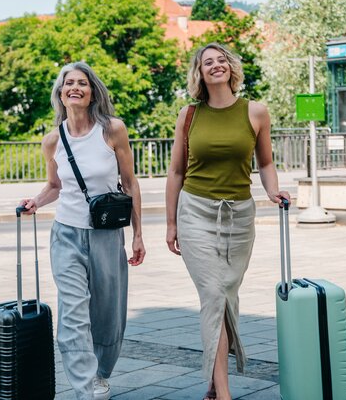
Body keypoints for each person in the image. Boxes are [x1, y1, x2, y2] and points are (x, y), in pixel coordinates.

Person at [164, 43, 290, 400]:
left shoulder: (256, 112)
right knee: (214, 295)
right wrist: (171, 224)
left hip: (239, 216)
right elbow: (176, 171)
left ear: (231, 68)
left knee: (227, 297)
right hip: (195, 213)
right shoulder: (189, 115)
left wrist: (273, 191)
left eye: (222, 60)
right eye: (208, 62)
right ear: (200, 73)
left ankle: (213, 380)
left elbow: (265, 163)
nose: (216, 65)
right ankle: (223, 392)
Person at [20, 61, 146, 400]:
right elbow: (55, 186)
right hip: (66, 235)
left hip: (107, 235)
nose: (75, 87)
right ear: (61, 94)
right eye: (69, 83)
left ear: (92, 93)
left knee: (108, 313)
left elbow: (130, 183)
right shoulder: (52, 141)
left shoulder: (112, 130)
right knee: (73, 312)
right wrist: (35, 201)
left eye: (82, 83)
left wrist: (137, 234)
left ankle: (100, 374)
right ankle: (84, 387)